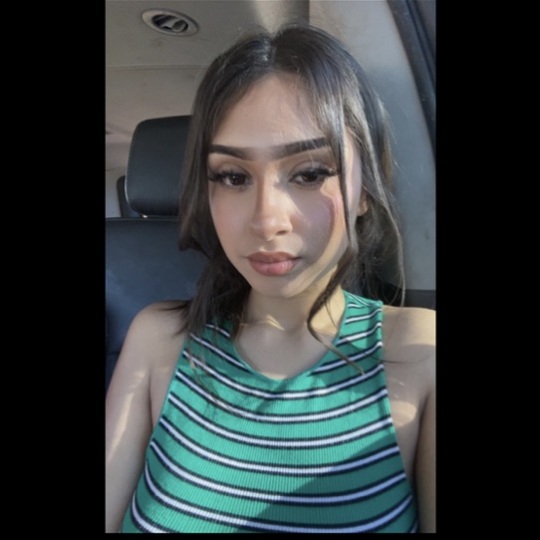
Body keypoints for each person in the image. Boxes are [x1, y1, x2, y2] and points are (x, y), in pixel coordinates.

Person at [105, 23, 435, 533]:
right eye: (233, 177)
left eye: (310, 173)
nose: (266, 220)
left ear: (365, 190)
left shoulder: (421, 351)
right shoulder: (158, 338)